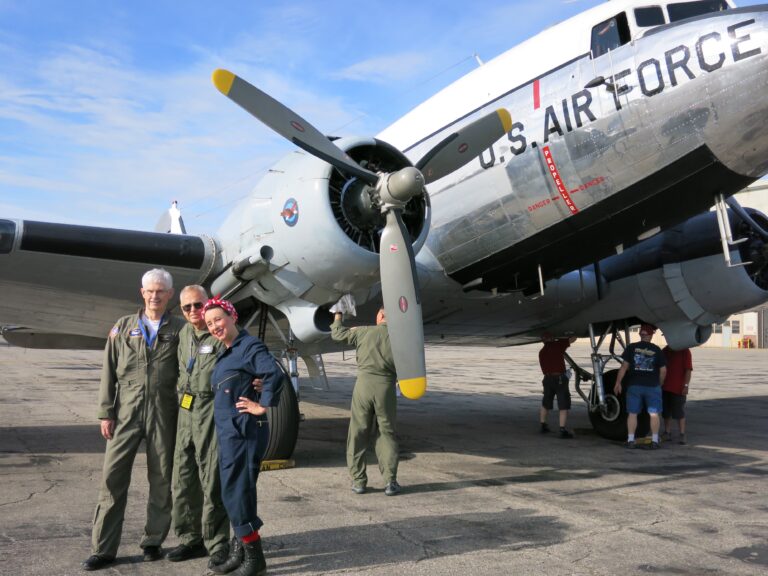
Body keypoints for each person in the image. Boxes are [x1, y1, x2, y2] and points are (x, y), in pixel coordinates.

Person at [82, 269, 186, 571]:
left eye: (161, 291)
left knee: (162, 479)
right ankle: (103, 549)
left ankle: (153, 541)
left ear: (170, 294)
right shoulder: (123, 327)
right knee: (112, 480)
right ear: (142, 293)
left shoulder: (180, 329)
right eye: (150, 291)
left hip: (164, 412)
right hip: (126, 413)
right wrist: (105, 412)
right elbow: (108, 372)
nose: (155, 296)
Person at [203, 296, 283, 576]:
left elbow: (273, 372)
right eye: (209, 323)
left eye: (218, 319)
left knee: (237, 492)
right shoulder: (227, 350)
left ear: (232, 317)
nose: (214, 326)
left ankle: (254, 557)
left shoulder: (248, 345)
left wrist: (262, 405)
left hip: (244, 432)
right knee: (234, 491)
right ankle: (239, 552)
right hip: (230, 434)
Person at [165, 285, 230, 569]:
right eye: (187, 307)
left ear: (209, 304)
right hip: (186, 409)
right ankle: (190, 539)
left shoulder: (221, 334)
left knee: (212, 478)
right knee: (183, 476)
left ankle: (217, 543)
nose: (193, 311)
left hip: (211, 409)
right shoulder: (183, 334)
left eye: (198, 305)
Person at [331, 306, 401, 496]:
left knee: (358, 432)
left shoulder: (364, 332)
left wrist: (338, 314)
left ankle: (359, 482)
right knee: (386, 432)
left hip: (363, 387)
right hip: (386, 388)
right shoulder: (399, 337)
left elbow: (337, 335)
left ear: (379, 316)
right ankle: (390, 482)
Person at [614, 323, 667, 450]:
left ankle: (631, 440)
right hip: (652, 386)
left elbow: (624, 367)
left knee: (632, 414)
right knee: (654, 414)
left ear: (640, 334)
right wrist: (659, 383)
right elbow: (663, 370)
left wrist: (618, 382)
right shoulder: (656, 350)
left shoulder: (632, 348)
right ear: (650, 335)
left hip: (634, 386)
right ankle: (654, 440)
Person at [538, 334, 578, 438]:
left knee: (545, 402)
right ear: (552, 338)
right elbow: (573, 339)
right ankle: (562, 430)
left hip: (547, 379)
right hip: (559, 379)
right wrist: (568, 335)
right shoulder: (558, 345)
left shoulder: (541, 352)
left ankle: (543, 426)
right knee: (563, 405)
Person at [662, 345, 693, 444]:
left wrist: (686, 385)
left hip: (678, 388)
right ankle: (667, 432)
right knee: (666, 412)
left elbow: (688, 369)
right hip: (665, 387)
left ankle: (682, 434)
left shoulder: (685, 350)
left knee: (679, 412)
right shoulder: (665, 351)